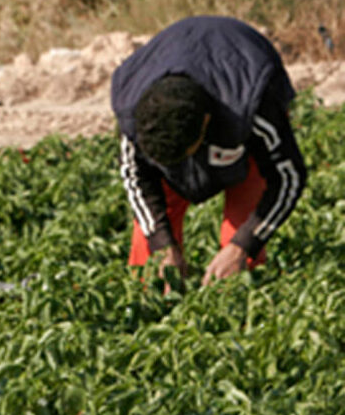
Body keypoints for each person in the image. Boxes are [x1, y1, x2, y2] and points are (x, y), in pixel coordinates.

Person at [111, 16, 306, 288]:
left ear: (205, 124)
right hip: (174, 74)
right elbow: (136, 176)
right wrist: (162, 245)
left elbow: (288, 176)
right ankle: (153, 296)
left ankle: (236, 297)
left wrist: (242, 246)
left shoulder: (254, 106)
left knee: (241, 258)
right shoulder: (135, 111)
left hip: (244, 81)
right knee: (151, 260)